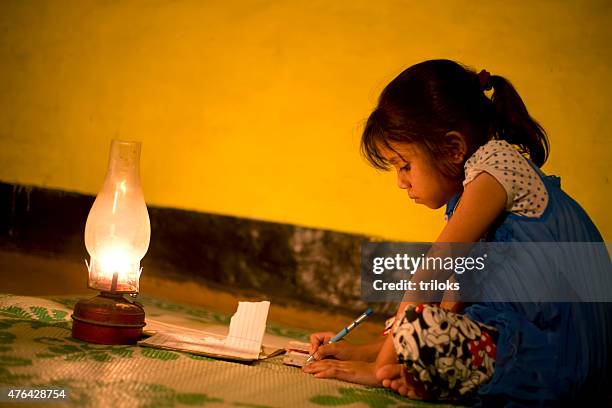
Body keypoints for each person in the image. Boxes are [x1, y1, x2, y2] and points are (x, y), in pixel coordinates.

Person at [302, 59, 611, 406]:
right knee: (424, 323)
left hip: (564, 352)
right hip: (521, 341)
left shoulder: (496, 166)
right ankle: (430, 375)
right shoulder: (469, 193)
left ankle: (423, 373)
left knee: (418, 315)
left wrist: (377, 368)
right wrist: (363, 351)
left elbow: (429, 274)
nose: (401, 182)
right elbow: (449, 307)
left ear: (453, 148)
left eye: (405, 165)